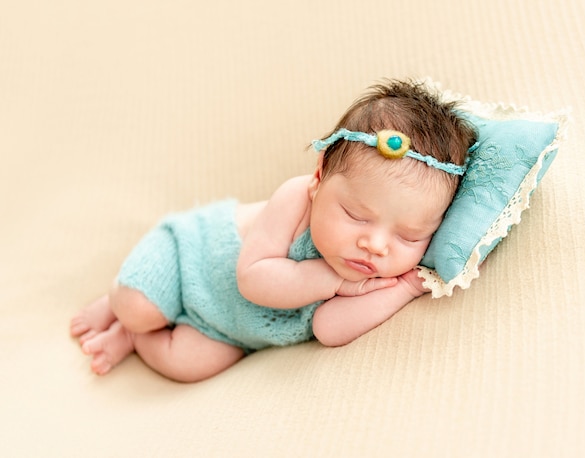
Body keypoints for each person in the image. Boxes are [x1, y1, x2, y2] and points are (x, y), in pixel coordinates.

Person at [70, 79, 477, 382]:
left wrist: (401, 291)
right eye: (356, 215)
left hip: (227, 326)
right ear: (319, 179)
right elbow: (254, 279)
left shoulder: (385, 276)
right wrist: (333, 279)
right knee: (138, 306)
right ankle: (118, 306)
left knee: (188, 366)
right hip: (188, 258)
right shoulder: (296, 197)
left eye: (408, 237)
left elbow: (328, 329)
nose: (375, 244)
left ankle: (130, 338)